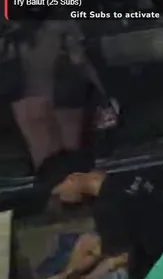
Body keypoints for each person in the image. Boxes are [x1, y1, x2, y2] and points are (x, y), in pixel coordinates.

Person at [22, 152, 163, 279]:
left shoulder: (107, 206)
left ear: (72, 179)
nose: (62, 199)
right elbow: (116, 235)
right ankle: (66, 276)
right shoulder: (125, 178)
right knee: (86, 241)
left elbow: (120, 260)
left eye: (59, 194)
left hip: (149, 267)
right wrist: (68, 274)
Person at [1, 10, 105, 171]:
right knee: (64, 145)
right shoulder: (60, 27)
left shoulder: (16, 34)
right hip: (55, 92)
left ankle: (57, 176)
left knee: (44, 147)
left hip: (31, 95)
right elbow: (79, 59)